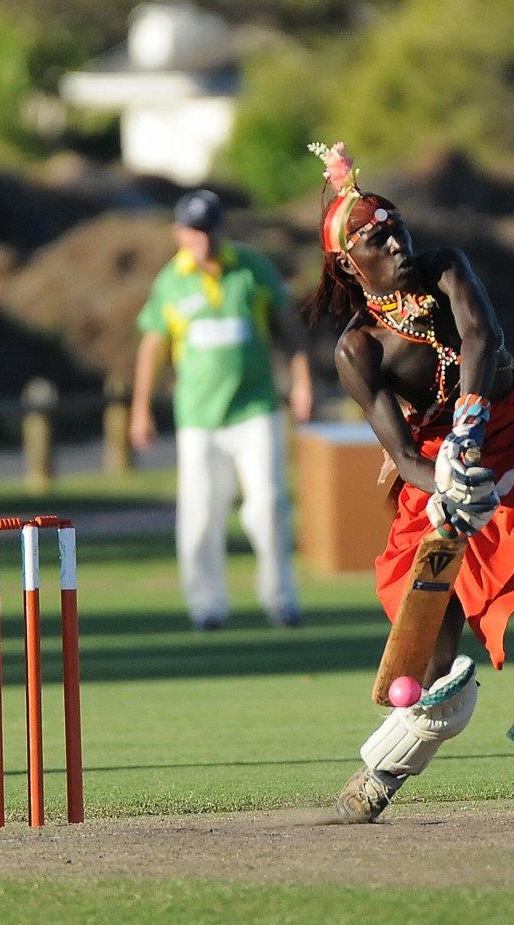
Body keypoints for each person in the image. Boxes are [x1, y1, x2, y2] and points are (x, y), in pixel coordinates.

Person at [305, 142, 514, 834]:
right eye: (372, 232)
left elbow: (483, 337)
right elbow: (401, 451)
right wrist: (441, 481)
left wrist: (471, 425)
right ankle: (381, 769)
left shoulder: (446, 267)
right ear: (349, 264)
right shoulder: (357, 351)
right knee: (441, 678)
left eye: (394, 220)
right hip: (441, 472)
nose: (392, 232)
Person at [129, 188, 313, 629]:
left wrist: (303, 378)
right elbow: (152, 345)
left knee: (269, 505)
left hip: (255, 408)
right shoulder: (171, 281)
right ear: (179, 233)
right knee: (200, 513)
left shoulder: (251, 269)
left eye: (210, 229)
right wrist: (140, 409)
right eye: (194, 231)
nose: (203, 239)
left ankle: (280, 597)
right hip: (198, 417)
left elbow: (289, 328)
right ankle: (206, 605)